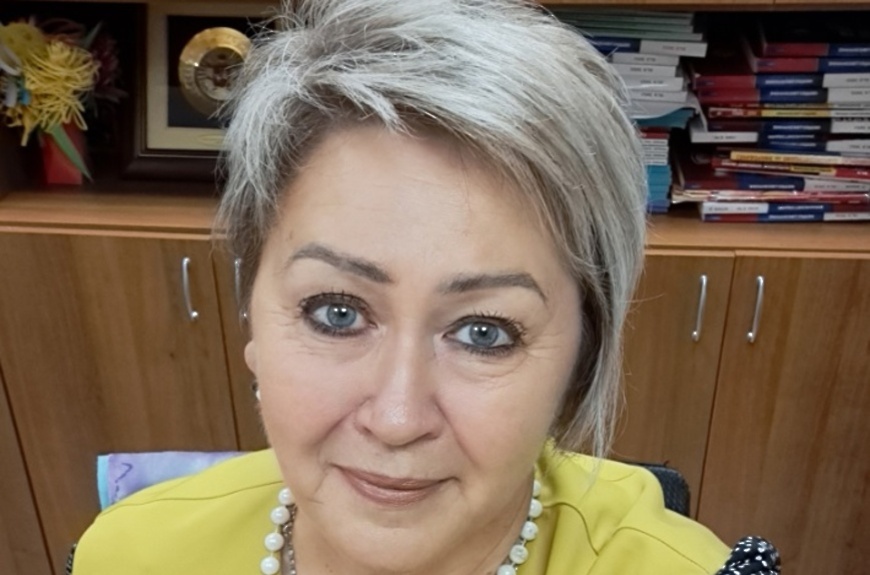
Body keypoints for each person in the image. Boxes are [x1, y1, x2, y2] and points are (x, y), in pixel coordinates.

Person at [71, 1, 780, 574]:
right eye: (336, 312)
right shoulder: (131, 556)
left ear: (579, 365)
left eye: (484, 332)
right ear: (252, 320)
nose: (397, 418)